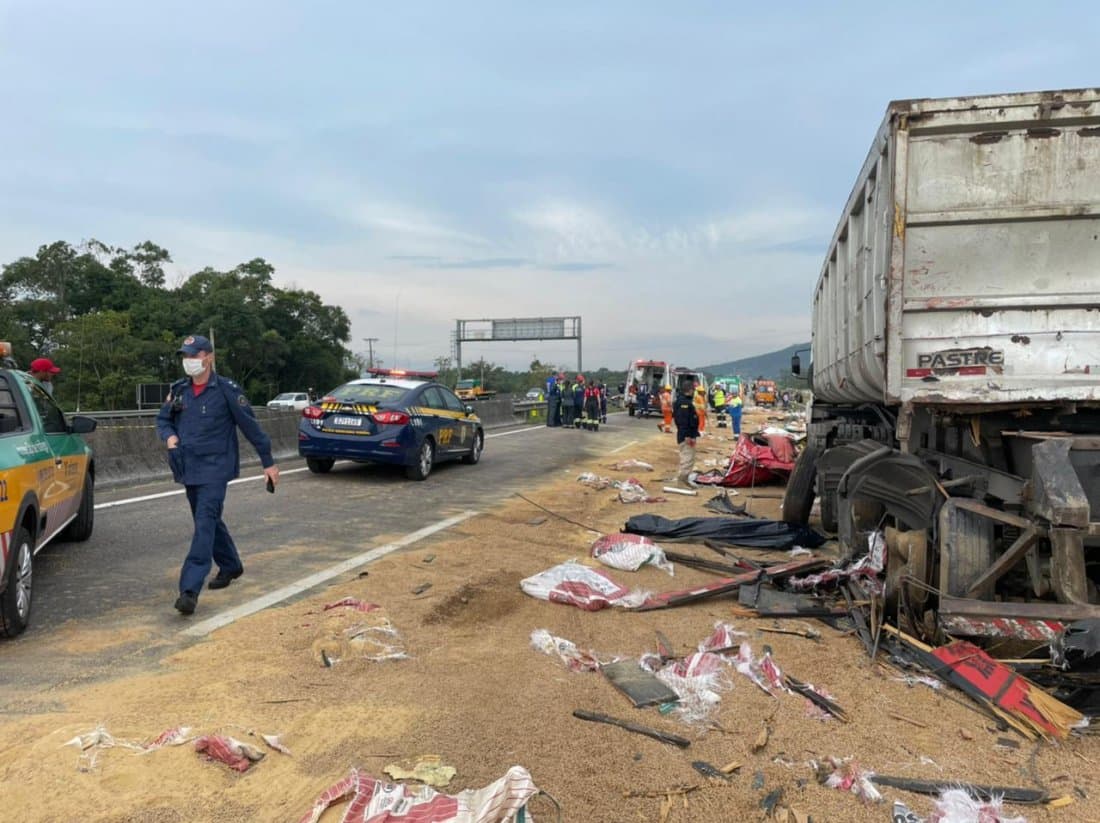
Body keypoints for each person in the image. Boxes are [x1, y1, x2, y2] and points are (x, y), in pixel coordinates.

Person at [156, 334, 280, 616]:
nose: (189, 362)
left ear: (208, 357)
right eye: (185, 356)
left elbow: (252, 428)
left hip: (215, 468)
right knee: (208, 519)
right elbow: (163, 419)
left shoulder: (226, 390)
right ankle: (231, 565)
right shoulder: (178, 391)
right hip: (187, 466)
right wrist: (170, 437)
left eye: (194, 356)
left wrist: (268, 463)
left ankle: (189, 590)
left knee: (203, 523)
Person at [673, 378, 700, 486]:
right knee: (687, 458)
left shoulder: (684, 401)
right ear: (689, 390)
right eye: (693, 389)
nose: (694, 392)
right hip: (686, 436)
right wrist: (688, 435)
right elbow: (683, 421)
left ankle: (684, 479)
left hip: (688, 434)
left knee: (689, 458)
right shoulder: (684, 403)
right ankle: (682, 481)